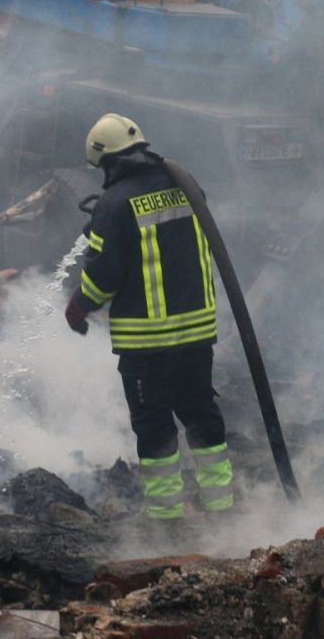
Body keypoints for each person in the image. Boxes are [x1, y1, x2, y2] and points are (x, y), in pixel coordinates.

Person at [63, 113, 234, 523]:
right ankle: (222, 510)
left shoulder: (114, 203)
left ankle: (168, 521)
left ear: (108, 161)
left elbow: (104, 276)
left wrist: (79, 306)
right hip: (196, 333)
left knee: (155, 429)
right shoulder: (183, 184)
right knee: (201, 417)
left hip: (148, 344)